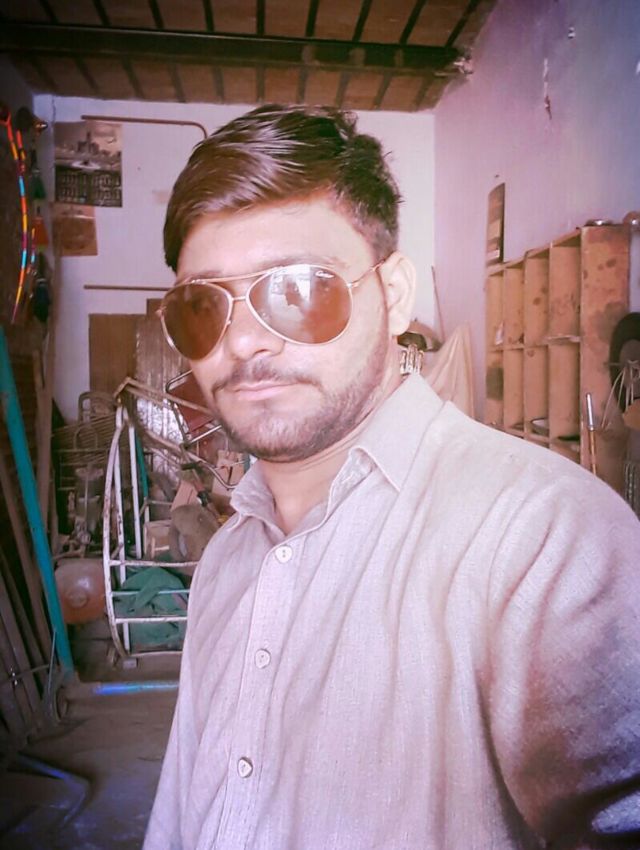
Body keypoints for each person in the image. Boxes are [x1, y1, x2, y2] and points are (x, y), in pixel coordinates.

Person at [144, 104, 640, 850]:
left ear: (395, 293)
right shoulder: (225, 561)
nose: (243, 342)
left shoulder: (544, 539)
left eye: (299, 290)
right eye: (202, 307)